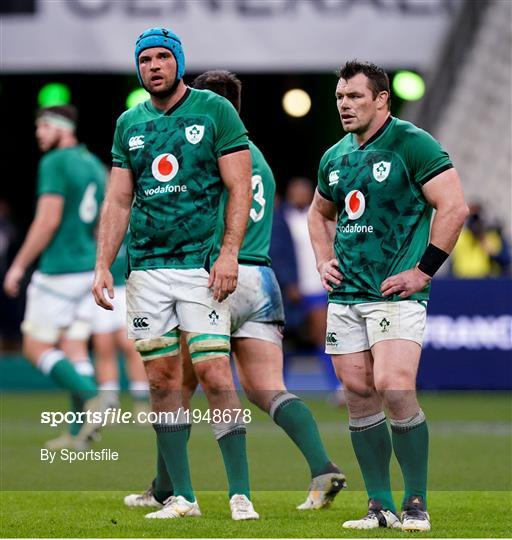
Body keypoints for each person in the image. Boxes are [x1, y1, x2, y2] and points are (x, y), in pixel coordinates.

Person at [124, 69, 347, 513]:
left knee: (173, 387)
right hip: (260, 279)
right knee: (268, 389)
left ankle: (175, 490)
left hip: (215, 277)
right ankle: (322, 467)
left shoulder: (206, 152)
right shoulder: (256, 156)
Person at [92, 28, 257, 521]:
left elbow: (239, 186)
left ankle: (240, 493)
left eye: (164, 57)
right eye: (146, 60)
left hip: (199, 267)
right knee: (162, 381)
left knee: (215, 372)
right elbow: (119, 198)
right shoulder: (128, 123)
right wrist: (103, 263)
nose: (155, 66)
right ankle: (182, 497)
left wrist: (229, 254)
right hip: (145, 270)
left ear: (179, 63)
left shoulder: (214, 110)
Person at [307, 60, 468, 532]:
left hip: (395, 293)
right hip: (347, 295)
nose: (344, 105)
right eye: (340, 97)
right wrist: (322, 260)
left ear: (382, 100)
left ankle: (415, 502)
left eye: (355, 97)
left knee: (395, 386)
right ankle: (378, 505)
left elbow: (453, 206)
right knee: (359, 395)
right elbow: (318, 214)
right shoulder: (335, 156)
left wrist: (423, 271)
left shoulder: (411, 143)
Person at [3, 105, 107, 447]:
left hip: (59, 270)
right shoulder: (94, 165)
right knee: (74, 345)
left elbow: (47, 220)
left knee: (35, 345)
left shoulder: (54, 162)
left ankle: (94, 397)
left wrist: (18, 265)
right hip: (87, 267)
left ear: (62, 128)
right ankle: (79, 433)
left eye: (44, 125)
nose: (38, 133)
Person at [283, 177, 344, 399]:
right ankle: (279, 388)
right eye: (296, 190)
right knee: (283, 337)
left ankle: (336, 385)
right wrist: (289, 283)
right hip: (291, 289)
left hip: (316, 286)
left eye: (304, 190)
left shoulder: (321, 218)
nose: (300, 194)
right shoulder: (282, 218)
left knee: (324, 335)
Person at [91, 235, 150, 414]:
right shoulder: (98, 209)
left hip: (129, 285)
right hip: (100, 285)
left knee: (131, 346)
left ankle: (141, 403)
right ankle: (109, 406)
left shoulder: (134, 211)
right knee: (103, 347)